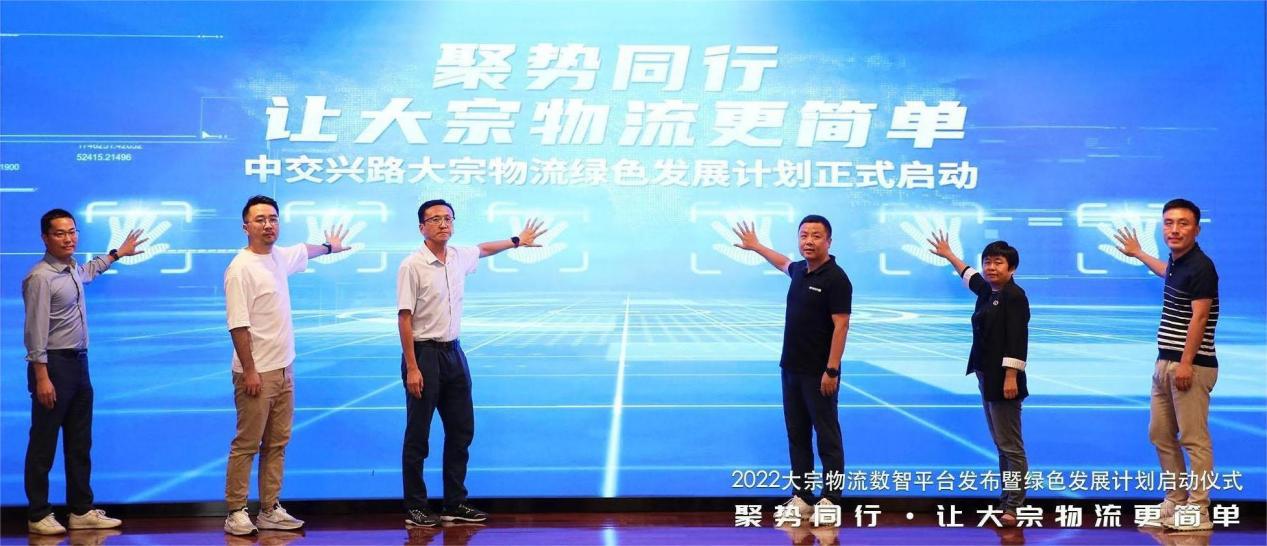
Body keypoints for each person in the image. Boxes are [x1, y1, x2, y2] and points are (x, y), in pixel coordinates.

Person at [397, 199, 546, 527]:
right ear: (422, 227)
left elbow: (483, 249)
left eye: (448, 218)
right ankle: (416, 507)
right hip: (423, 354)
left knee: (461, 430)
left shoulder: (457, 256)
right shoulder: (412, 265)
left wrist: (517, 240)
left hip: (454, 353)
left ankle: (454, 503)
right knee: (419, 435)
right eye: (435, 219)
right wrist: (412, 367)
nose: (443, 224)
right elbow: (404, 318)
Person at [222, 195, 352, 536]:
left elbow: (304, 250)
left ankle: (269, 509)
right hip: (256, 372)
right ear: (246, 227)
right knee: (247, 444)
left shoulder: (279, 256)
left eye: (273, 219)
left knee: (277, 443)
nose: (268, 225)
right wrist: (250, 370)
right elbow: (238, 325)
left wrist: (329, 247)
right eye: (260, 219)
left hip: (284, 368)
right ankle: (236, 511)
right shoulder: (240, 268)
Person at [22, 208, 145, 535]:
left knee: (79, 443)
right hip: (53, 366)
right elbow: (34, 332)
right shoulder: (40, 278)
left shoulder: (72, 269)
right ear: (45, 238)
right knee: (43, 444)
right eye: (60, 233)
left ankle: (80, 511)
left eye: (72, 232)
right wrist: (42, 376)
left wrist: (117, 254)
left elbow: (89, 271)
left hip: (79, 364)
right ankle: (38, 514)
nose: (68, 238)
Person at [732, 215, 851, 521]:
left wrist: (832, 370)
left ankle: (831, 499)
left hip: (819, 373)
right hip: (791, 369)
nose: (808, 241)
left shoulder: (836, 279)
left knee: (827, 437)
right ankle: (803, 496)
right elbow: (782, 263)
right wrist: (757, 246)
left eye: (816, 236)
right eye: (803, 235)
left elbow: (841, 326)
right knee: (797, 434)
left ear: (829, 241)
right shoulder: (800, 270)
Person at [1115, 199, 1219, 532]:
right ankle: (1175, 500)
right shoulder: (1178, 262)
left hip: (1191, 365)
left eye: (1183, 223)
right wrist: (1139, 254)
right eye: (1169, 223)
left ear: (1196, 229)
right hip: (1165, 363)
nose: (1174, 229)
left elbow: (1200, 317)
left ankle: (1198, 510)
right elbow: (1166, 272)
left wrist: (1186, 363)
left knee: (1194, 439)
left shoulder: (1201, 266)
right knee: (1159, 433)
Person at [929, 234, 1030, 527]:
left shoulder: (1014, 296)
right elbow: (969, 275)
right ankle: (1006, 500)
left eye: (998, 262)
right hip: (987, 376)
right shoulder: (988, 291)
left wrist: (1011, 376)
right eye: (987, 262)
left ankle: (1014, 505)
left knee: (1010, 446)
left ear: (1012, 268)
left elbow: (1017, 338)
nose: (991, 267)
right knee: (1001, 443)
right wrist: (949, 254)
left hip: (1004, 380)